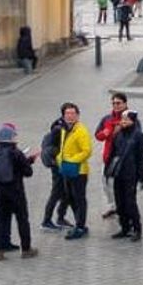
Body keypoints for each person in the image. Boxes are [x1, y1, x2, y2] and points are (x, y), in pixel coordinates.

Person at [0, 124, 36, 261]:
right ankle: (26, 249)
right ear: (11, 137)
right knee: (22, 219)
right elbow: (28, 172)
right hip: (15, 191)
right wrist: (29, 161)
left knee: (1, 220)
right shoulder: (15, 152)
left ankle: (0, 250)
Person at [44, 103, 91, 240]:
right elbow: (62, 149)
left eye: (72, 113)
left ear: (77, 115)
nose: (70, 116)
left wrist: (72, 160)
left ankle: (81, 226)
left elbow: (87, 151)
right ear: (63, 116)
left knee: (79, 199)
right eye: (67, 114)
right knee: (70, 197)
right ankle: (79, 223)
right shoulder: (65, 129)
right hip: (66, 169)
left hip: (79, 171)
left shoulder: (81, 130)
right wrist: (60, 160)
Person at [109, 108, 143, 241]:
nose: (124, 121)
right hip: (118, 173)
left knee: (130, 203)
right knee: (119, 203)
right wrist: (108, 169)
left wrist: (142, 176)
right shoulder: (118, 135)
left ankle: (137, 229)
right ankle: (124, 228)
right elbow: (113, 153)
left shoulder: (139, 136)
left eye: (127, 119)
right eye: (123, 119)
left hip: (131, 175)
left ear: (133, 121)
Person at [94, 92, 130, 220]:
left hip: (124, 158)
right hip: (109, 156)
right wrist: (105, 133)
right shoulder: (107, 119)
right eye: (114, 103)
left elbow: (137, 137)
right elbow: (97, 135)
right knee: (106, 182)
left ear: (125, 104)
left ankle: (125, 208)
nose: (116, 105)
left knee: (123, 185)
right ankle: (113, 205)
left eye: (118, 103)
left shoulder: (131, 118)